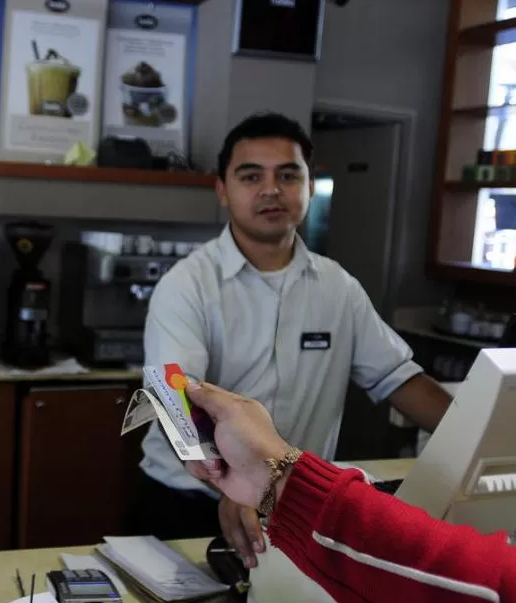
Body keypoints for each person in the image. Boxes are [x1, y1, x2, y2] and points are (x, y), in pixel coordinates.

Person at [136, 112, 452, 567]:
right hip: (192, 503)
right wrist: (231, 482)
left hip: (297, 506)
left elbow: (400, 380)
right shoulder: (187, 285)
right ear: (223, 190)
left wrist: (487, 440)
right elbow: (176, 401)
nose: (271, 190)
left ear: (308, 185)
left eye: (288, 175)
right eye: (250, 176)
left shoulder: (337, 288)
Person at [185, 382, 516, 603]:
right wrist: (279, 482)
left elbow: (476, 590)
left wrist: (280, 483)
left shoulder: (342, 290)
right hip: (229, 498)